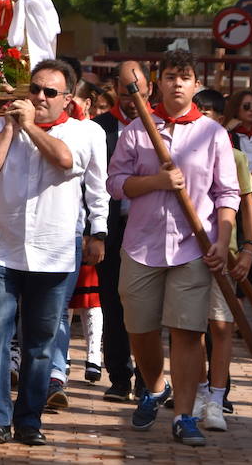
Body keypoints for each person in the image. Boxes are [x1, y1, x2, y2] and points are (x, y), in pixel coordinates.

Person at [0, 59, 107, 447]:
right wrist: (13, 127)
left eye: (49, 92)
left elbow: (66, 162)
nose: (39, 97)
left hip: (54, 250)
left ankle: (29, 419)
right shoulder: (2, 126)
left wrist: (100, 231)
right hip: (0, 247)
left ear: (68, 97)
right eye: (34, 90)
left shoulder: (85, 132)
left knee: (41, 343)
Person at [107, 49, 239, 448]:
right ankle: (154, 385)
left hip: (193, 248)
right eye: (170, 76)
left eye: (185, 77)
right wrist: (156, 183)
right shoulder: (136, 130)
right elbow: (116, 183)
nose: (177, 83)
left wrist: (223, 241)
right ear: (157, 83)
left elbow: (227, 192)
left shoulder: (213, 134)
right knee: (140, 328)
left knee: (188, 332)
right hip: (142, 245)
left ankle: (184, 415)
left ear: (196, 84)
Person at [193, 88, 252, 430]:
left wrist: (248, 247)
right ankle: (199, 391)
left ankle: (217, 398)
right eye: (197, 110)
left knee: (221, 325)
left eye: (209, 112)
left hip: (225, 254)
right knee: (190, 328)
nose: (202, 116)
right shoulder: (180, 151)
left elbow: (246, 203)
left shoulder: (235, 156)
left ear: (220, 118)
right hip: (188, 251)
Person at [93, 59, 150, 403]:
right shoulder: (98, 128)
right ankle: (118, 376)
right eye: (125, 91)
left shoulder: (159, 127)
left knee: (146, 308)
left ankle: (147, 377)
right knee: (113, 305)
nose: (131, 98)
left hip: (148, 232)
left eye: (137, 90)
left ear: (148, 89)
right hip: (112, 231)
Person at [223, 87, 252, 295]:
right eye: (246, 106)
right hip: (233, 197)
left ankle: (248, 292)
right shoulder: (228, 135)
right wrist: (227, 128)